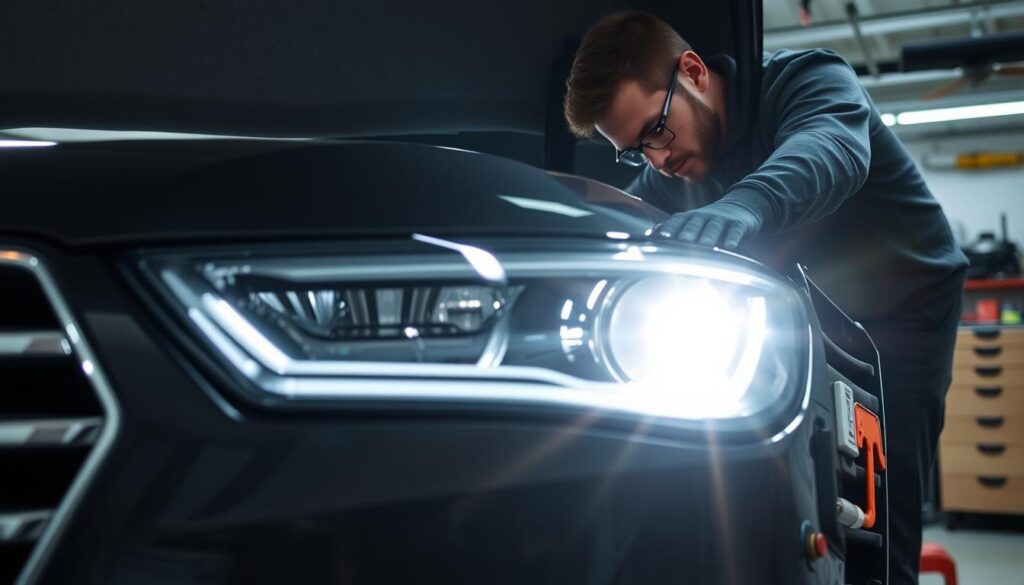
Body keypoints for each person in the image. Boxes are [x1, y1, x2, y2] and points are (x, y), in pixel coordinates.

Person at [564, 11, 968, 585]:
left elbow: (829, 148)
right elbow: (622, 215)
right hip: (814, 321)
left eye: (655, 131)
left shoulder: (807, 78)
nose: (656, 159)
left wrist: (744, 204)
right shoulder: (675, 164)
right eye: (635, 150)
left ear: (694, 71)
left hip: (905, 308)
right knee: (793, 493)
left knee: (879, 506)